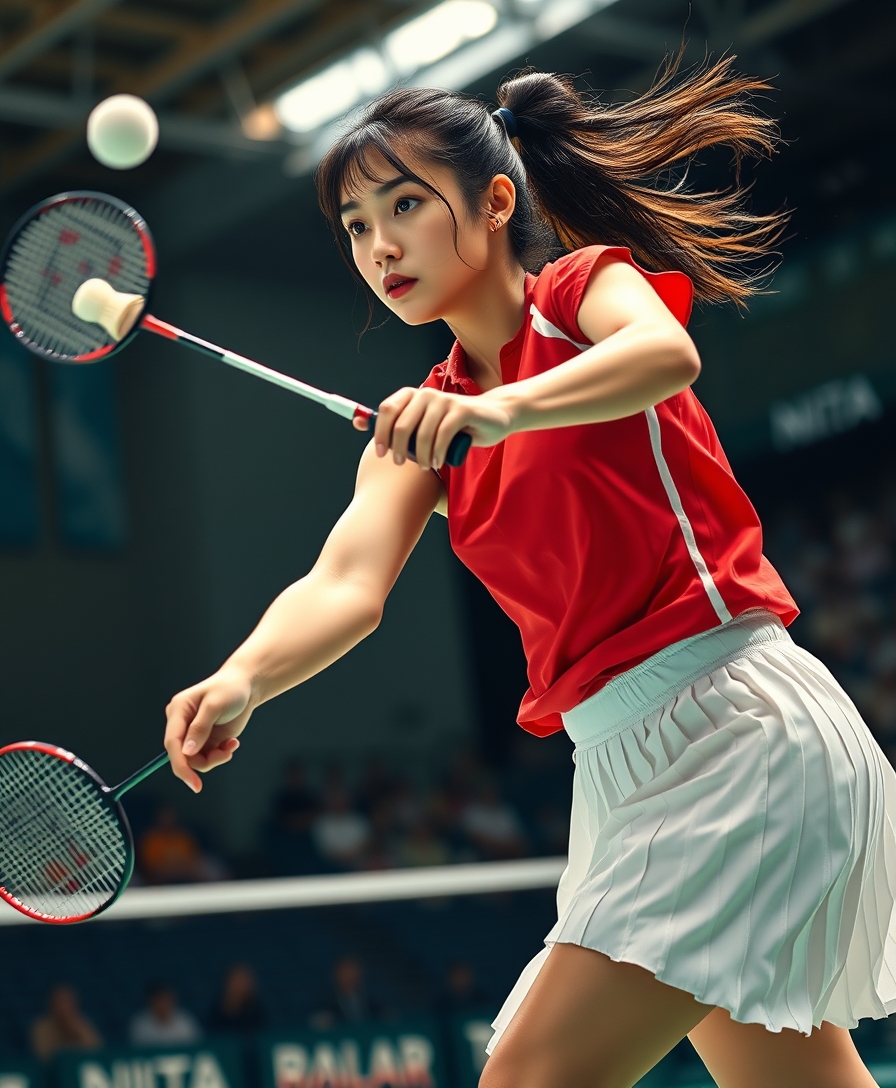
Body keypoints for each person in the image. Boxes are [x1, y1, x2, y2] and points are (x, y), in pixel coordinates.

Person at [162, 52, 896, 1088]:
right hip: (618, 775)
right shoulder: (422, 420)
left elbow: (662, 355)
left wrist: (497, 409)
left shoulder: (581, 292)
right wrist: (244, 675)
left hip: (735, 730)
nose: (379, 245)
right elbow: (345, 584)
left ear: (495, 199)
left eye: (404, 204)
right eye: (355, 226)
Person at [30, 984, 102, 1063]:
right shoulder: (41, 1026)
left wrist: (74, 1028)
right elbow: (44, 1057)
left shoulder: (80, 1021)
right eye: (61, 1001)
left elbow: (97, 1048)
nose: (65, 1006)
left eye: (69, 1001)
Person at [129, 983, 202, 1047]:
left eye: (165, 1001)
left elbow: (197, 1047)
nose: (162, 1005)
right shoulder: (140, 1025)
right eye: (158, 1001)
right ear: (150, 1002)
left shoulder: (185, 1021)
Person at [207, 963, 266, 1035]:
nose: (241, 985)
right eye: (237, 980)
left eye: (244, 980)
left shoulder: (258, 1014)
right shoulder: (215, 1016)